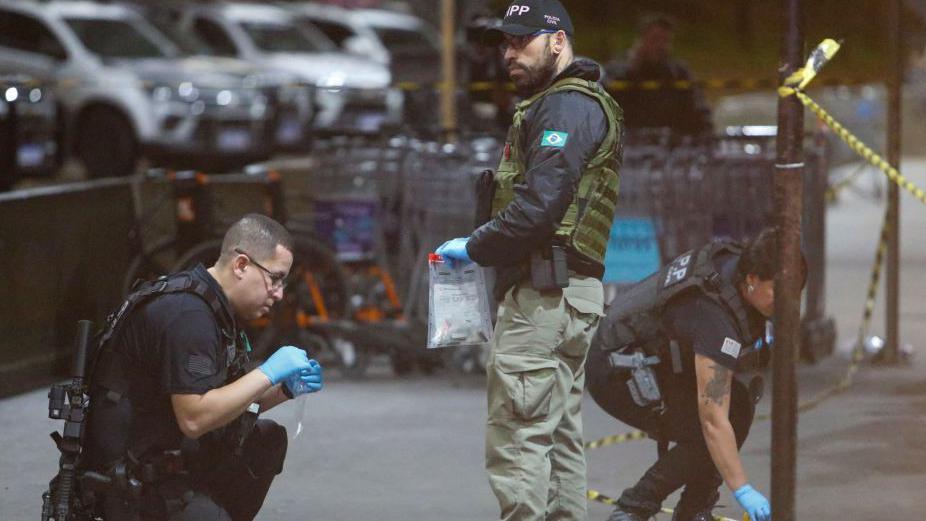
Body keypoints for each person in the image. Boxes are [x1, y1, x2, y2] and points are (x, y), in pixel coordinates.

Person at [436, 1, 624, 519]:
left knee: (518, 442)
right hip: (568, 296)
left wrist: (475, 247)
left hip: (545, 298)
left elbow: (540, 206)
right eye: (505, 43)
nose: (509, 53)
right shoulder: (570, 104)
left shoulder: (565, 107)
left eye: (522, 41)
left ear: (558, 41)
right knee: (559, 442)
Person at [83, 213, 323, 521]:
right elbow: (195, 419)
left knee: (266, 439)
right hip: (128, 480)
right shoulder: (189, 317)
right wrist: (266, 373)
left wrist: (283, 390)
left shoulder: (212, 305)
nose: (279, 293)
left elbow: (226, 404)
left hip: (162, 451)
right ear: (241, 265)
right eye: (274, 278)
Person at [585, 228, 795, 521]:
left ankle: (694, 510)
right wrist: (742, 489)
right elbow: (713, 421)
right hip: (615, 371)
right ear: (752, 280)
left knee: (738, 409)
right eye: (779, 291)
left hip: (652, 360)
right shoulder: (715, 317)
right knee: (708, 430)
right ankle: (633, 509)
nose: (789, 302)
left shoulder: (738, 263)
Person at [604, 14, 712, 136]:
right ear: (640, 41)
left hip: (670, 143)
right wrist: (631, 70)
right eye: (654, 39)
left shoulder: (679, 73)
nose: (660, 46)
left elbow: (699, 108)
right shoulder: (617, 70)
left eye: (665, 40)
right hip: (629, 141)